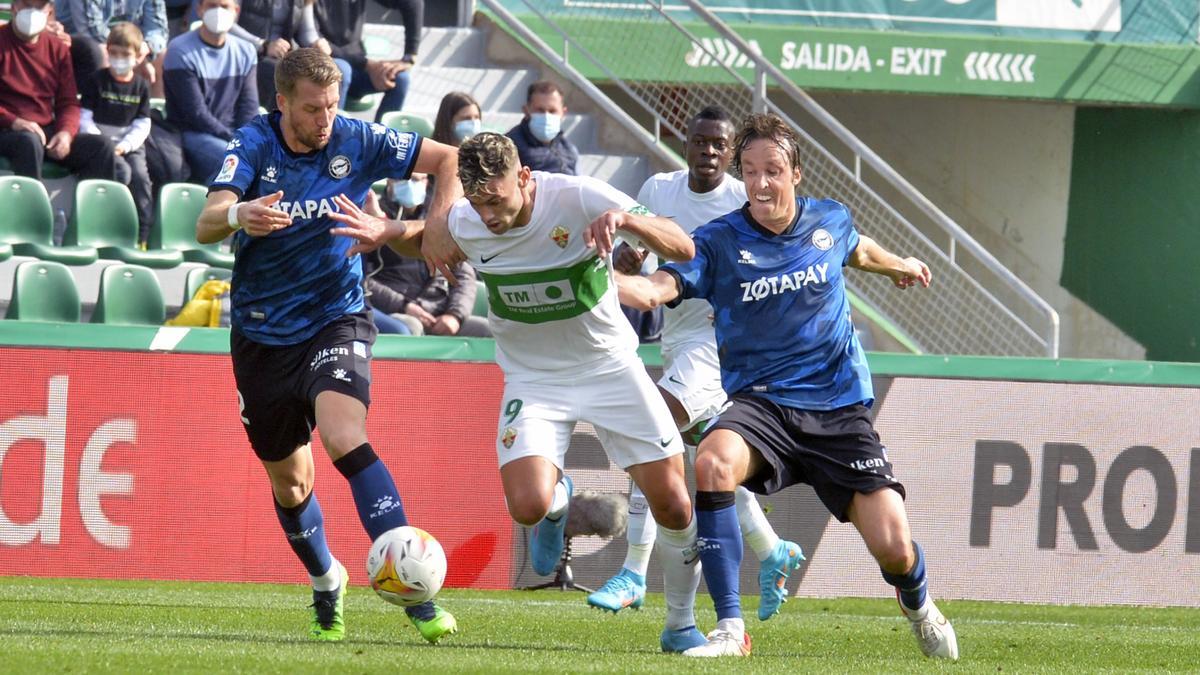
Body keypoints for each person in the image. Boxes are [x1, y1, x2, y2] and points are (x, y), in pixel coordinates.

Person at [327, 132, 713, 655]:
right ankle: (558, 503)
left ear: (525, 178)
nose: (487, 215)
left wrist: (627, 220)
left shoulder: (578, 196)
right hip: (534, 380)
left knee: (672, 503)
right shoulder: (468, 219)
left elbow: (683, 245)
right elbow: (426, 240)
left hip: (608, 368)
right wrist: (390, 230)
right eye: (478, 202)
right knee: (528, 506)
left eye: (497, 200)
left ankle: (681, 625)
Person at [616, 113, 957, 660]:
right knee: (711, 461)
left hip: (838, 409)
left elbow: (858, 249)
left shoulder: (830, 219)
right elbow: (661, 286)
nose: (760, 184)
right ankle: (730, 629)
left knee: (894, 550)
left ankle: (918, 604)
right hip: (762, 406)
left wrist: (900, 265)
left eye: (772, 170)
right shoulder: (719, 239)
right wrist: (618, 285)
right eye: (749, 171)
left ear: (796, 173)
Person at [195, 47, 460, 644]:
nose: (325, 120)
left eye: (332, 106)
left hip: (336, 317)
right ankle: (326, 579)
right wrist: (240, 214)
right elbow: (206, 221)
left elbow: (449, 158)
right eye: (313, 109)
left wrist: (437, 223)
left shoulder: (357, 137)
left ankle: (415, 599)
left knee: (345, 436)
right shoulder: (255, 144)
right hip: (262, 335)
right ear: (282, 101)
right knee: (290, 484)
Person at [588, 106, 803, 622]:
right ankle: (773, 551)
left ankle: (634, 572)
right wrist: (627, 260)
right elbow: (633, 249)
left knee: (650, 426)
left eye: (718, 145)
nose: (707, 151)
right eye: (699, 141)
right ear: (686, 144)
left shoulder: (742, 200)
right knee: (702, 452)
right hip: (677, 337)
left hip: (719, 342)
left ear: (731, 154)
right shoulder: (660, 190)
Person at [0, 0, 117, 183]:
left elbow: (68, 101)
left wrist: (65, 133)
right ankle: (32, 209)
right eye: (26, 5)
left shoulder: (58, 48)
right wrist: (13, 121)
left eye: (39, 7)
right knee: (29, 142)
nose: (32, 12)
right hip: (7, 130)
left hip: (44, 129)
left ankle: (92, 209)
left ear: (50, 12)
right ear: (14, 7)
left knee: (102, 147)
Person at [365, 173, 489, 338]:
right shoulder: (371, 219)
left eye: (416, 179)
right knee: (410, 327)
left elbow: (464, 276)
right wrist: (404, 306)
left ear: (425, 183)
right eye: (404, 179)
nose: (410, 184)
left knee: (486, 330)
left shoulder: (442, 219)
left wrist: (455, 315)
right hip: (395, 312)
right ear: (389, 182)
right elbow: (365, 280)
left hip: (440, 312)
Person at [163, 0, 258, 181]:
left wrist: (246, 139)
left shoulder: (246, 51)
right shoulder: (180, 50)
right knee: (232, 162)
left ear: (236, 11)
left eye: (224, 6)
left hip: (232, 136)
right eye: (212, 5)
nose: (218, 11)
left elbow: (249, 106)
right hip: (192, 134)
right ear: (199, 9)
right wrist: (234, 140)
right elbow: (196, 113)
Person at [79, 21, 155, 244]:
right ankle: (108, 227)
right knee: (120, 174)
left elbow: (143, 123)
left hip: (129, 145)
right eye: (114, 53)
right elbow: (84, 117)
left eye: (125, 54)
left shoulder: (141, 86)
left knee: (141, 179)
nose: (119, 59)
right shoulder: (96, 80)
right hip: (99, 144)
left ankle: (141, 237)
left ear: (138, 55)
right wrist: (103, 142)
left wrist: (125, 146)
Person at [232, 0, 351, 108]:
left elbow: (306, 31)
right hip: (252, 56)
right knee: (284, 76)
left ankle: (327, 127)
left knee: (336, 71)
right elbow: (228, 25)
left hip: (284, 56)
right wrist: (263, 45)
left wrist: (316, 42)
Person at [312, 0, 412, 123]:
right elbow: (317, 43)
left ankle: (381, 138)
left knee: (401, 79)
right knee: (341, 69)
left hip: (357, 68)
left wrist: (409, 57)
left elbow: (412, 3)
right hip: (322, 71)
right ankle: (334, 135)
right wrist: (366, 64)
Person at [56, 0, 168, 91]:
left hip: (130, 43)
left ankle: (152, 113)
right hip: (83, 42)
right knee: (104, 52)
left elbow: (158, 29)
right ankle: (104, 110)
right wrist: (131, 50)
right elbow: (92, 30)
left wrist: (146, 48)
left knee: (162, 55)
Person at [506, 80, 577, 175]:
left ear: (563, 113)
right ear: (526, 111)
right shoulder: (510, 146)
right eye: (540, 110)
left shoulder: (568, 148)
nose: (546, 116)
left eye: (552, 111)